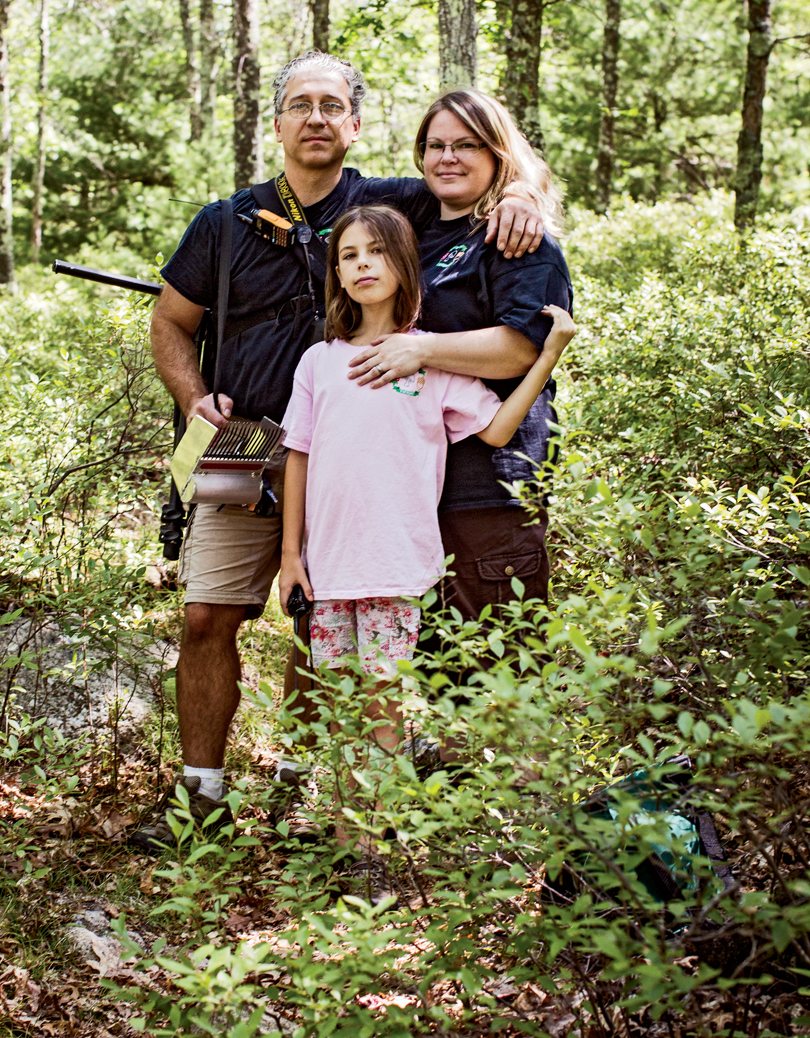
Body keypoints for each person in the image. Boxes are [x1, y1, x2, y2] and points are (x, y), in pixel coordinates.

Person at [133, 54, 546, 852]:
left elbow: (475, 181)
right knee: (205, 615)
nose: (316, 118)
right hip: (242, 444)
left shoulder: (393, 205)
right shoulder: (221, 222)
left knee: (318, 621)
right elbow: (169, 321)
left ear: (355, 126)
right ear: (278, 124)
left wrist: (524, 195)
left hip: (344, 463)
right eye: (300, 105)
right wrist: (191, 399)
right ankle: (200, 796)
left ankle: (300, 789)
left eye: (333, 106)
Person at [277, 204, 574, 884]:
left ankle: (375, 851)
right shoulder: (320, 362)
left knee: (381, 700)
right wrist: (292, 555)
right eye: (348, 255)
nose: (360, 265)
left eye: (375, 253)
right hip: (328, 569)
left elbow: (497, 429)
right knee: (343, 701)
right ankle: (347, 836)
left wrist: (548, 354)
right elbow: (297, 455)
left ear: (404, 267)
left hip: (395, 565)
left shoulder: (428, 362)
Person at [341, 90, 573, 739]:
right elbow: (337, 184)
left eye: (465, 145)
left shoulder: (517, 238)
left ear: (497, 153)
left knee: (501, 682)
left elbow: (519, 348)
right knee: (444, 675)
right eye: (436, 145)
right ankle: (458, 829)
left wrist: (421, 349)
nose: (447, 157)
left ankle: (512, 829)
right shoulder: (416, 215)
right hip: (421, 496)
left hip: (492, 486)